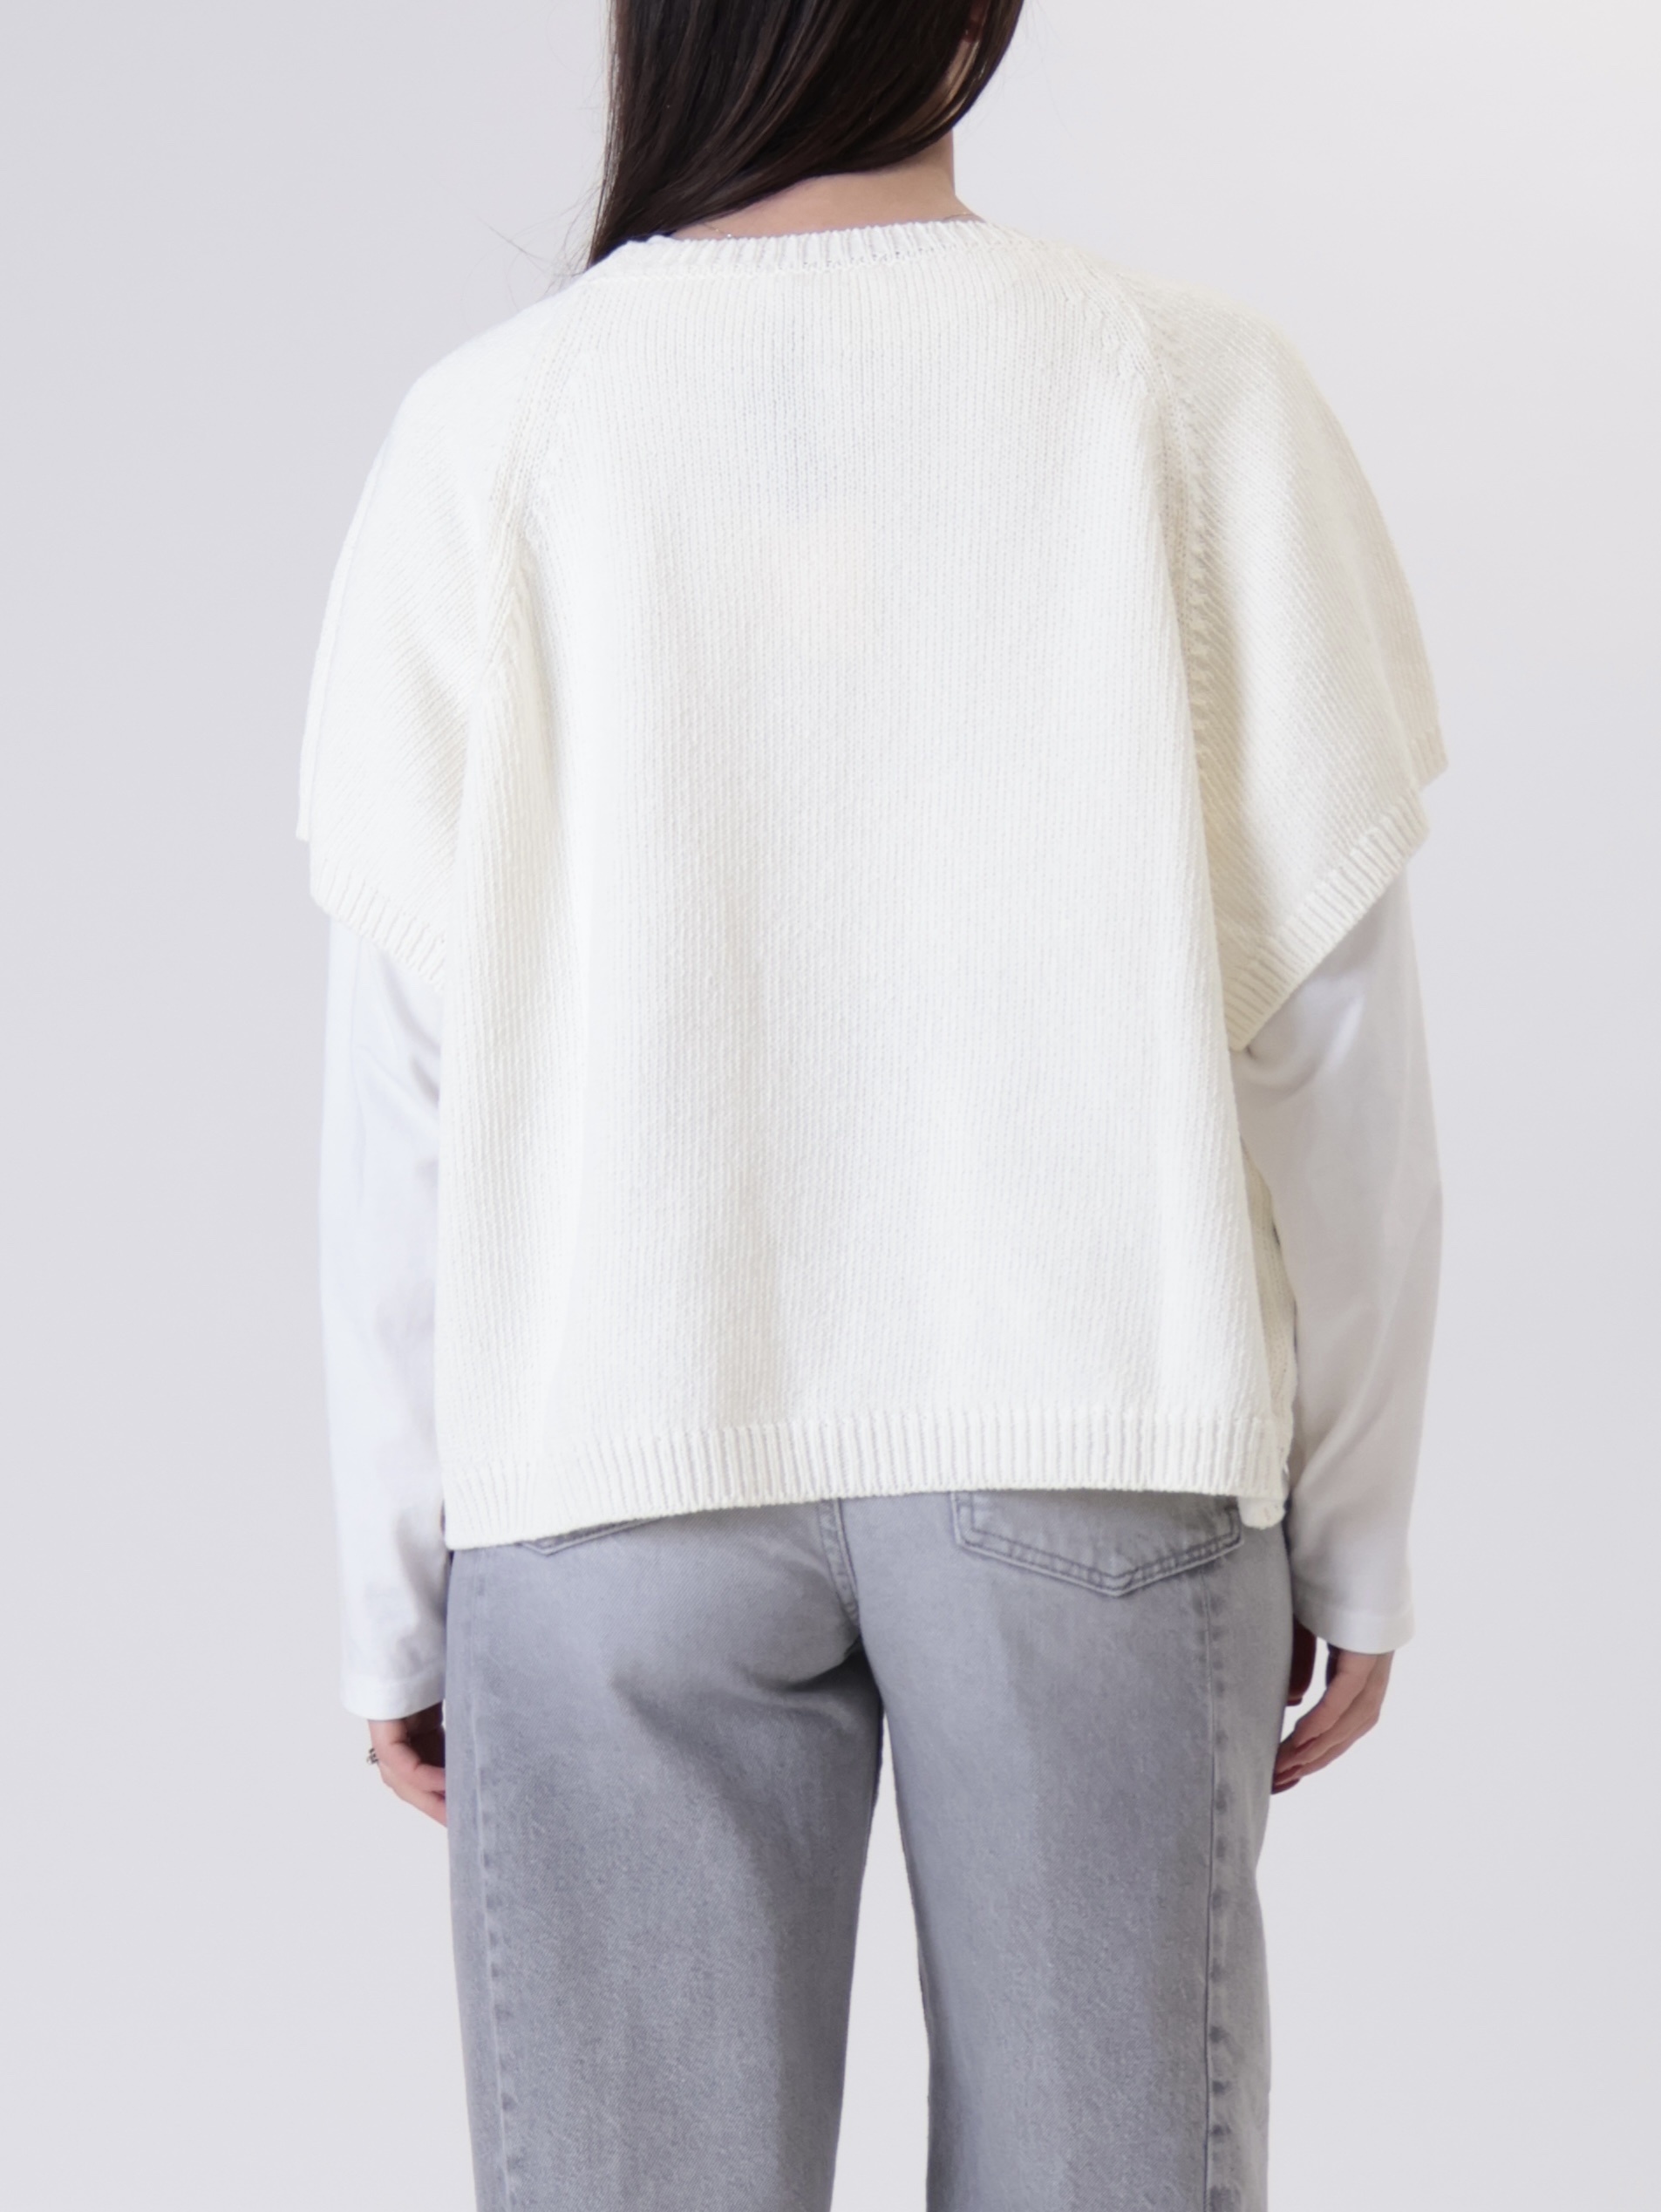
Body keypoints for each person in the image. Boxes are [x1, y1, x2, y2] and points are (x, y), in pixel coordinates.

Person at [301, 3, 1443, 2205]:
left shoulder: (495, 431)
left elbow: (406, 1068)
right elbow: (1327, 1035)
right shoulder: (1186, 391)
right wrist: (1358, 1527)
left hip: (605, 1466)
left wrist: (393, 1583)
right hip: (1091, 1430)